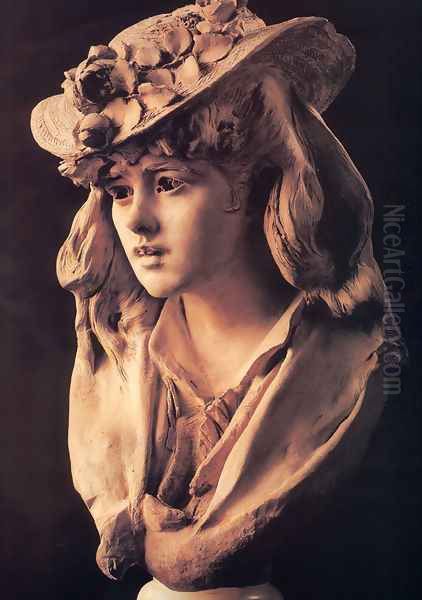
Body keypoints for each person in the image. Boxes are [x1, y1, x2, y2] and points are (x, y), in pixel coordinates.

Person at [30, 1, 392, 597]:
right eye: (119, 191)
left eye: (169, 183)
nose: (137, 221)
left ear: (261, 184)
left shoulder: (342, 360)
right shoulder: (119, 352)